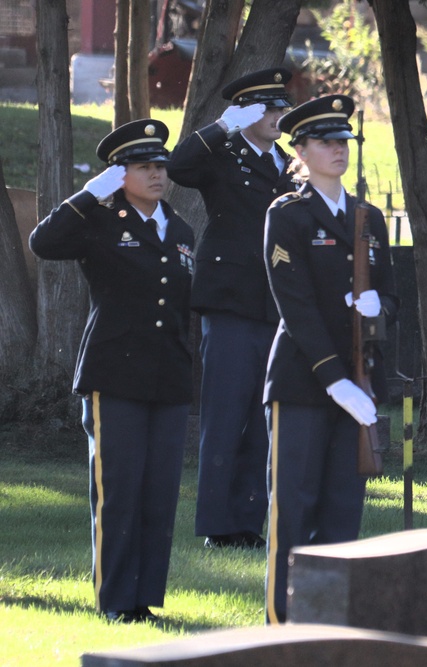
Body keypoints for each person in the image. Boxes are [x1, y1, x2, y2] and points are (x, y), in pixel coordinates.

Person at [29, 119, 194, 623]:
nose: (157, 174)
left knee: (158, 493)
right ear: (119, 175)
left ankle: (144, 599)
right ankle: (116, 601)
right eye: (143, 166)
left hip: (169, 376)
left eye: (159, 165)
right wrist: (86, 195)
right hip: (114, 374)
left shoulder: (181, 229)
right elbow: (43, 242)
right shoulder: (99, 221)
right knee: (118, 489)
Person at [262, 94, 398, 623]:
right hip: (303, 381)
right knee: (293, 511)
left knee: (343, 514)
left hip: (359, 387)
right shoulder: (288, 215)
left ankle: (329, 626)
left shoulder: (369, 218)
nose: (338, 149)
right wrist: (333, 379)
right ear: (300, 150)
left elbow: (391, 297)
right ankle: (281, 623)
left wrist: (377, 308)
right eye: (325, 141)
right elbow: (293, 304)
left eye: (343, 140)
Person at [167, 68, 296, 549]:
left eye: (280, 106)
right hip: (230, 301)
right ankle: (217, 525)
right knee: (225, 416)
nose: (276, 114)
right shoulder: (224, 155)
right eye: (266, 107)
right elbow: (178, 167)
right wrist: (220, 127)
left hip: (275, 302)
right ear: (245, 111)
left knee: (264, 419)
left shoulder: (286, 163)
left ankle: (247, 521)